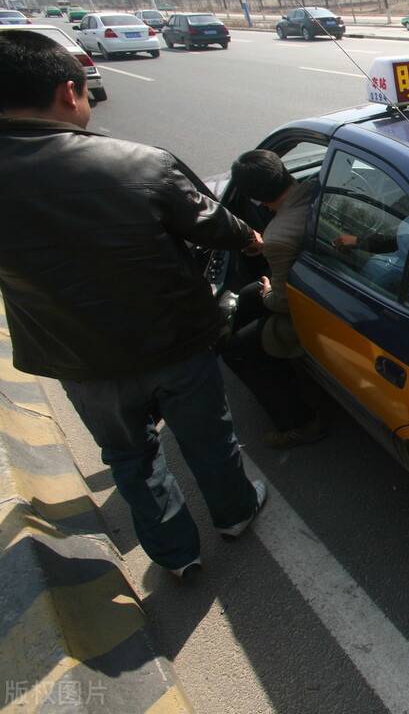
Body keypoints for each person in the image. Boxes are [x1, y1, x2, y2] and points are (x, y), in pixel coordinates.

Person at [0, 30, 267, 581]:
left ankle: (176, 556)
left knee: (130, 457)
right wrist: (250, 239)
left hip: (79, 361)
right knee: (209, 437)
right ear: (67, 91)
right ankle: (236, 514)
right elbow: (214, 226)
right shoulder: (139, 164)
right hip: (176, 342)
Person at [224, 150, 326, 450]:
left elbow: (283, 303)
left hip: (314, 313)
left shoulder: (279, 234)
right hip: (327, 288)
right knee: (246, 296)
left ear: (254, 198)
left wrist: (267, 290)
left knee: (237, 349)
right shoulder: (320, 187)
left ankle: (300, 423)